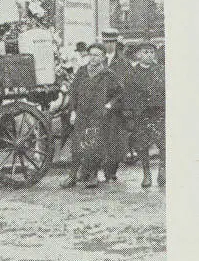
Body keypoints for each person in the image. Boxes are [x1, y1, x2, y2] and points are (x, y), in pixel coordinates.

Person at [61, 42, 123, 189]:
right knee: (77, 145)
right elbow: (73, 93)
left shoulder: (108, 74)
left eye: (97, 55)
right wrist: (73, 111)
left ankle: (93, 175)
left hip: (98, 115)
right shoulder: (82, 71)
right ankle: (72, 176)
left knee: (94, 145)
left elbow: (119, 93)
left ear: (103, 57)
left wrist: (109, 105)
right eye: (91, 55)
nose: (93, 58)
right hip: (82, 114)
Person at [125, 41, 166, 187]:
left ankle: (162, 170)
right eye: (145, 52)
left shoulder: (161, 70)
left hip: (159, 112)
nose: (148, 55)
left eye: (151, 52)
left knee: (163, 143)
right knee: (141, 145)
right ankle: (146, 173)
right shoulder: (132, 73)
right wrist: (130, 114)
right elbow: (128, 95)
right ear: (138, 55)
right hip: (141, 114)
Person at [101, 28, 132, 181]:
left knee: (115, 139)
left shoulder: (123, 62)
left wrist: (111, 103)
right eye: (106, 42)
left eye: (111, 42)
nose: (109, 45)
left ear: (116, 43)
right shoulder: (98, 59)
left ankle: (111, 170)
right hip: (98, 103)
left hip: (116, 106)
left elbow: (125, 87)